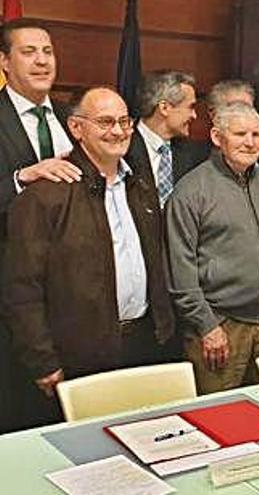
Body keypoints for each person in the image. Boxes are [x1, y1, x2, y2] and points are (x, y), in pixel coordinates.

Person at [3, 87, 175, 426]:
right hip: (79, 357)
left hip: (144, 345)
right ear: (76, 128)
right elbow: (21, 289)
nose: (118, 131)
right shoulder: (46, 196)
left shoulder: (141, 187)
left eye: (124, 122)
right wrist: (42, 360)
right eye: (105, 122)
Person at [166, 102, 259, 394]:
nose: (250, 142)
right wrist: (206, 326)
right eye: (240, 133)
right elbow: (180, 271)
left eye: (256, 134)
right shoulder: (190, 191)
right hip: (221, 328)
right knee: (219, 420)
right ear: (218, 138)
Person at [0, 18, 78, 432]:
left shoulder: (74, 120)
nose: (42, 60)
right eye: (28, 52)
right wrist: (19, 178)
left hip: (76, 296)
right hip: (15, 293)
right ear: (4, 62)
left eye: (47, 51)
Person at [124, 70, 199, 207]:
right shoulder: (122, 147)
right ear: (164, 108)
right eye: (190, 107)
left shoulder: (194, 155)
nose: (194, 115)